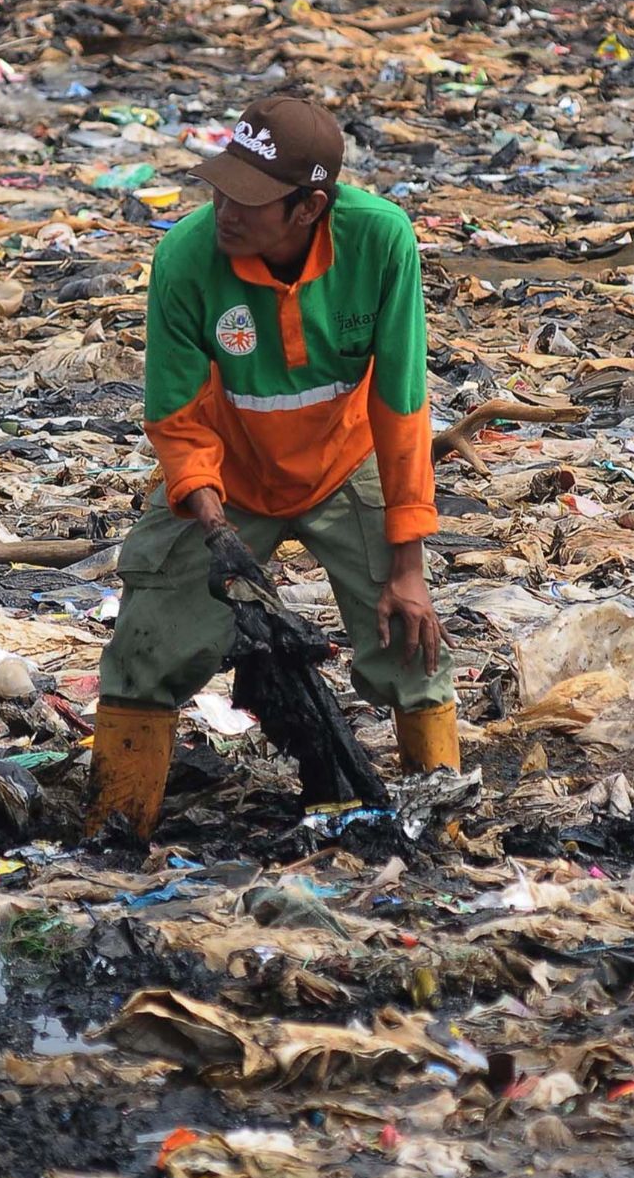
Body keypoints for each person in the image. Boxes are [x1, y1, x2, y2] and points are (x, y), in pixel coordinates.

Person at [87, 93, 459, 841]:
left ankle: (441, 823)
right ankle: (116, 828)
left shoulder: (381, 242)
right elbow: (178, 416)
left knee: (412, 647)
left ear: (309, 208)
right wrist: (210, 517)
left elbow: (400, 405)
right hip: (230, 479)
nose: (225, 209)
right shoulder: (186, 258)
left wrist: (408, 564)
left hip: (345, 463)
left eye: (250, 200)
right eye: (222, 187)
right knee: (144, 648)